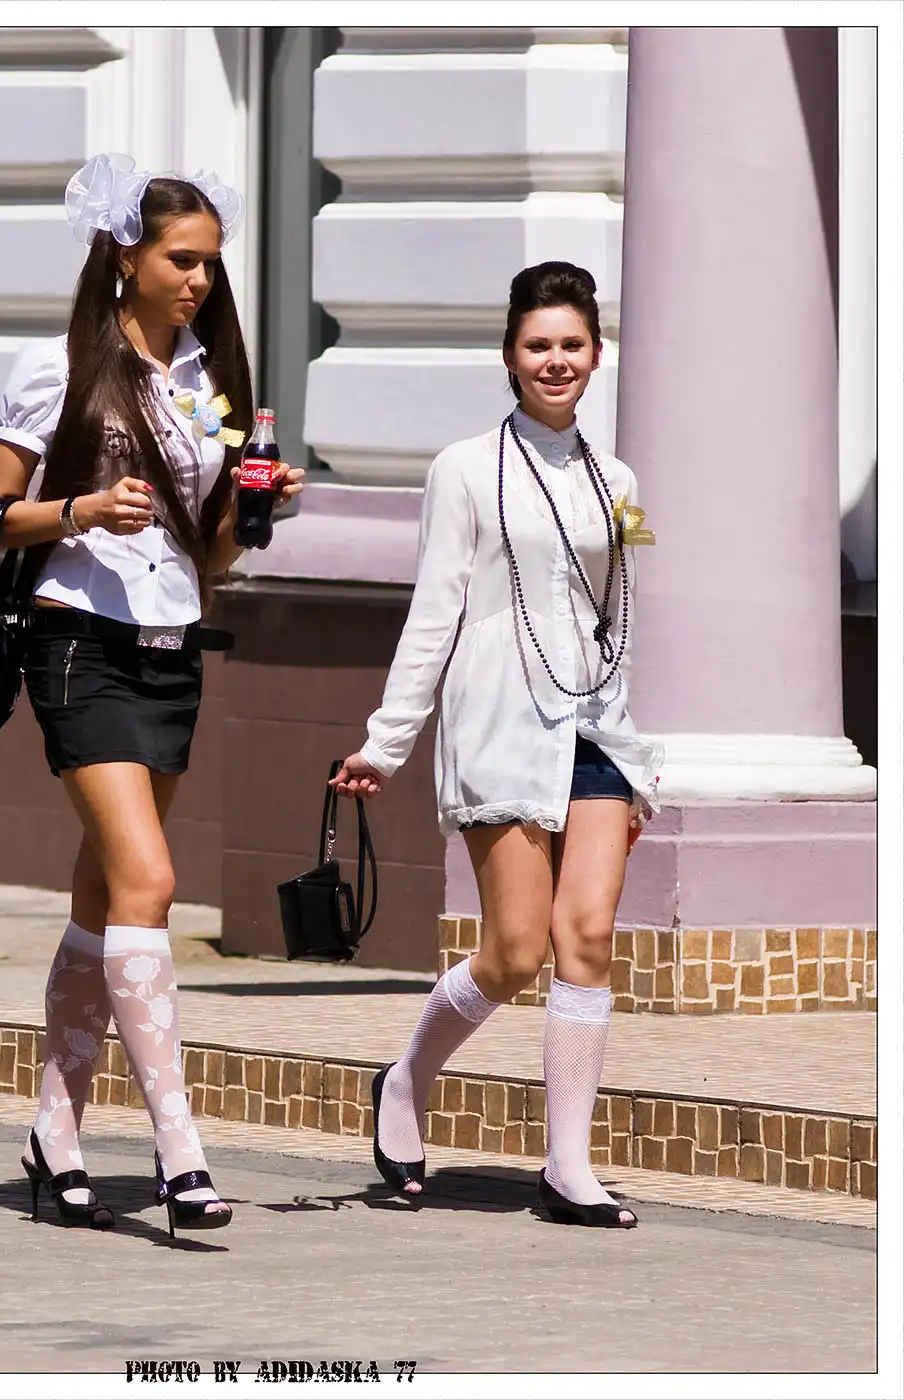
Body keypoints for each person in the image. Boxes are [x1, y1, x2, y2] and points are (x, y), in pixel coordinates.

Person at [0, 153, 304, 1235]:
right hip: (78, 642)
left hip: (171, 646)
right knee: (152, 880)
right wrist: (81, 510)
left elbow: (209, 552)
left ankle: (54, 1135)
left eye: (210, 262)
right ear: (128, 256)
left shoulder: (208, 382)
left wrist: (256, 508)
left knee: (105, 895)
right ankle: (180, 1152)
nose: (200, 279)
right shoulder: (61, 365)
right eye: (182, 259)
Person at [330, 262, 661, 1228]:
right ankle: (406, 1077)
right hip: (501, 726)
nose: (556, 361)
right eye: (537, 346)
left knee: (586, 938)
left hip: (595, 729)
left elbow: (616, 619)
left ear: (595, 354)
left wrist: (635, 751)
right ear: (509, 358)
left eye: (572, 345)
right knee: (514, 951)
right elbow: (433, 612)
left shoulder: (616, 480)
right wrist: (387, 742)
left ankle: (568, 1168)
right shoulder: (466, 468)